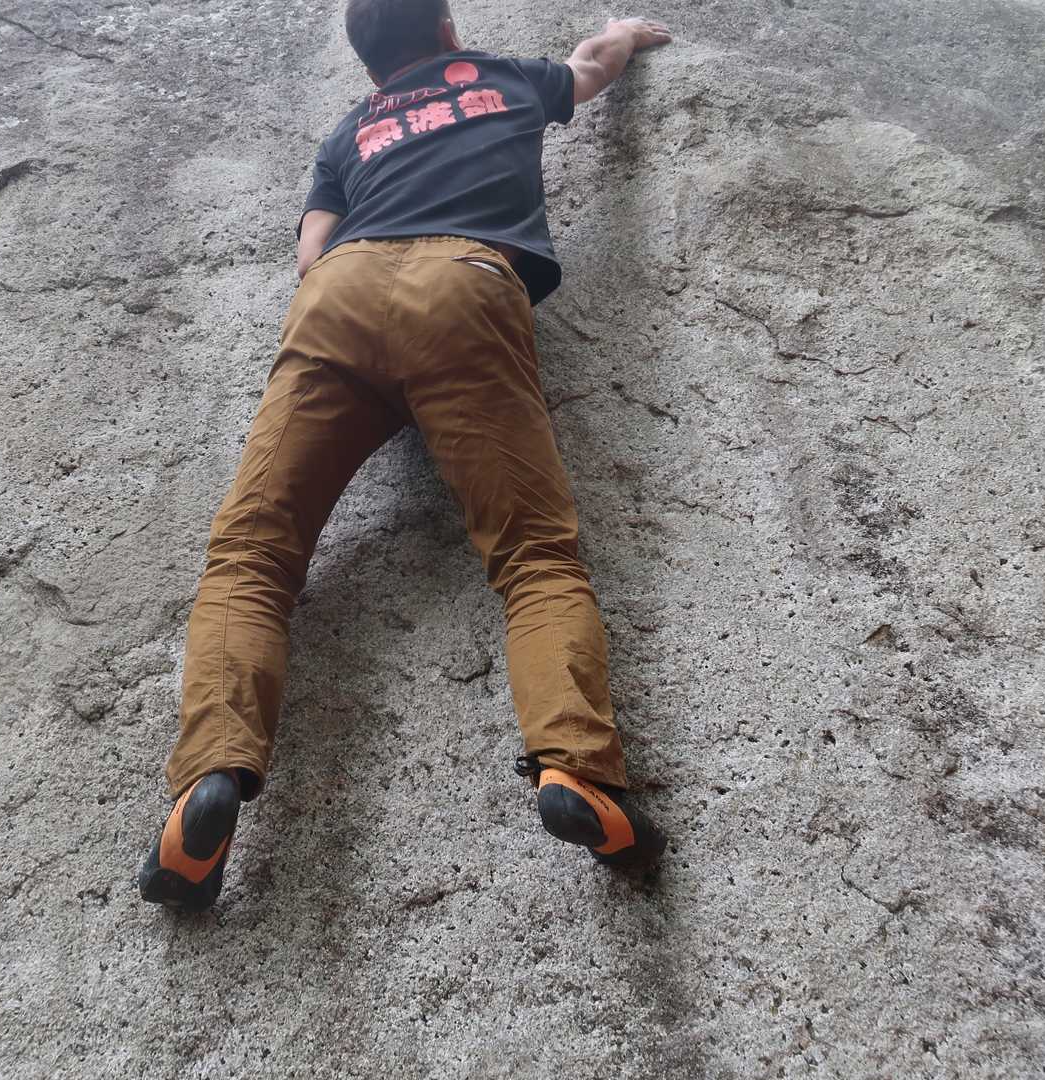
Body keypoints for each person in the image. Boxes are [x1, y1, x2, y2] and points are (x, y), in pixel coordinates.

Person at [138, 0, 674, 912]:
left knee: (252, 555)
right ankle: (578, 771)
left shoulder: (349, 131)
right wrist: (622, 31)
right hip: (465, 284)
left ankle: (207, 783)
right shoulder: (502, 77)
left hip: (340, 294)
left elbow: (311, 249)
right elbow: (591, 67)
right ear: (448, 34)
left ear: (368, 64)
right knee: (534, 556)